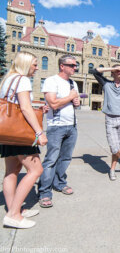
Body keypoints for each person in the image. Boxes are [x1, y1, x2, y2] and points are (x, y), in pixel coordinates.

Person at [0, 52, 48, 228]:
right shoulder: (23, 80)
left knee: (11, 171)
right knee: (36, 170)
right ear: (26, 64)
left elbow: (16, 103)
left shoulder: (8, 79)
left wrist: (36, 105)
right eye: (34, 64)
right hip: (21, 135)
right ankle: (14, 215)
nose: (36, 68)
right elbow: (25, 108)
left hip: (7, 132)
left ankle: (14, 208)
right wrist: (39, 132)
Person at [38, 54, 80, 208]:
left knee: (66, 158)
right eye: (72, 65)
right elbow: (53, 104)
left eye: (76, 66)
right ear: (62, 66)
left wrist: (76, 101)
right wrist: (70, 97)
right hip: (56, 126)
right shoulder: (51, 81)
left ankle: (60, 183)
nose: (75, 68)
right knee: (51, 159)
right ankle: (44, 192)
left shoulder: (73, 83)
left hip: (72, 125)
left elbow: (75, 102)